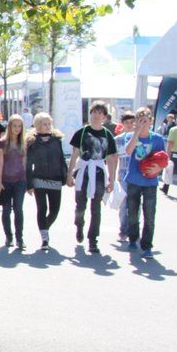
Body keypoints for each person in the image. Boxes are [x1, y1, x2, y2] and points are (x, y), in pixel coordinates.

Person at [67, 101, 118, 254]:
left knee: (96, 208)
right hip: (83, 171)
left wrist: (112, 180)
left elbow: (111, 158)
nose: (96, 115)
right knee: (80, 205)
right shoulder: (82, 132)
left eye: (99, 113)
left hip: (99, 173)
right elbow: (75, 154)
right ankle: (79, 225)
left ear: (104, 117)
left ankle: (93, 239)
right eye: (94, 112)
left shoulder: (107, 135)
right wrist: (69, 174)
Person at [121, 107, 167, 258]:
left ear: (151, 122)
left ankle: (147, 246)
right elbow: (128, 151)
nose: (143, 123)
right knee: (132, 213)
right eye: (139, 120)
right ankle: (133, 238)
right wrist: (136, 133)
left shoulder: (157, 139)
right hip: (133, 179)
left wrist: (158, 169)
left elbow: (164, 159)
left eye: (145, 121)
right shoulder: (130, 136)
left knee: (150, 215)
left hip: (150, 181)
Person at [26, 113, 68, 251]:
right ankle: (44, 238)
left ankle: (45, 227)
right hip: (39, 178)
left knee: (55, 210)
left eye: (49, 124)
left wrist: (65, 176)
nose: (48, 126)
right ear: (38, 125)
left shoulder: (57, 140)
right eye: (44, 124)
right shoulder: (32, 141)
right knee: (42, 208)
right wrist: (29, 184)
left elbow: (61, 159)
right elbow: (28, 164)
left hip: (55, 178)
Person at [0, 115, 27, 249]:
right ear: (9, 126)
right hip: (6, 180)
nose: (17, 129)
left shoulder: (24, 142)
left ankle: (20, 238)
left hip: (20, 180)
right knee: (6, 209)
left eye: (19, 126)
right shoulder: (2, 142)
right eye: (14, 126)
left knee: (18, 209)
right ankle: (9, 237)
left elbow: (25, 163)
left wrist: (27, 181)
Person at [113, 112, 136, 244]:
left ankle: (134, 230)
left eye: (132, 122)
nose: (129, 125)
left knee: (135, 204)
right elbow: (114, 158)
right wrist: (112, 176)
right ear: (122, 124)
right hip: (122, 175)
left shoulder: (139, 137)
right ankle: (123, 230)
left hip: (137, 175)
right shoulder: (118, 139)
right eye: (127, 123)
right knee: (123, 205)